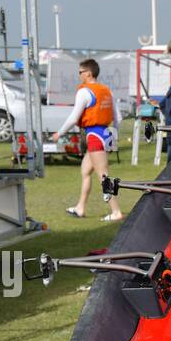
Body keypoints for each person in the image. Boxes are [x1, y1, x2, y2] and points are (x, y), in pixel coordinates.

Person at [55, 58, 123, 221]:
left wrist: (60, 133)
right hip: (106, 133)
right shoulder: (107, 90)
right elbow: (118, 117)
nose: (79, 75)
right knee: (85, 170)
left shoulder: (84, 92)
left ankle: (116, 211)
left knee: (103, 175)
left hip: (94, 135)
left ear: (88, 73)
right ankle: (80, 208)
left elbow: (73, 118)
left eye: (80, 72)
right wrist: (113, 139)